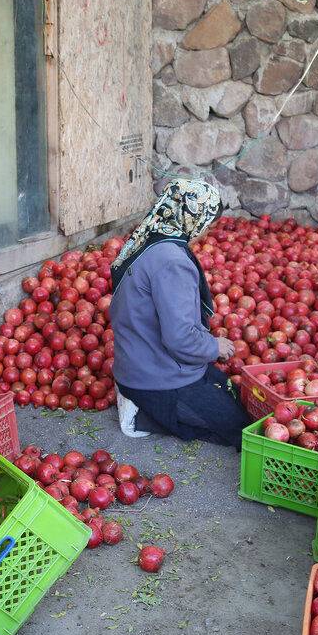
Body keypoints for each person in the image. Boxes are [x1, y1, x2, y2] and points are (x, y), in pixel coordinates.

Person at [109, 178, 251, 447]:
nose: (205, 235)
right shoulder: (173, 262)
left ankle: (146, 402)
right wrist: (214, 346)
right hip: (154, 379)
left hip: (140, 363)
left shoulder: (149, 239)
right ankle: (141, 417)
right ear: (191, 219)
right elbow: (179, 338)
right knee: (241, 428)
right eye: (207, 227)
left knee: (232, 393)